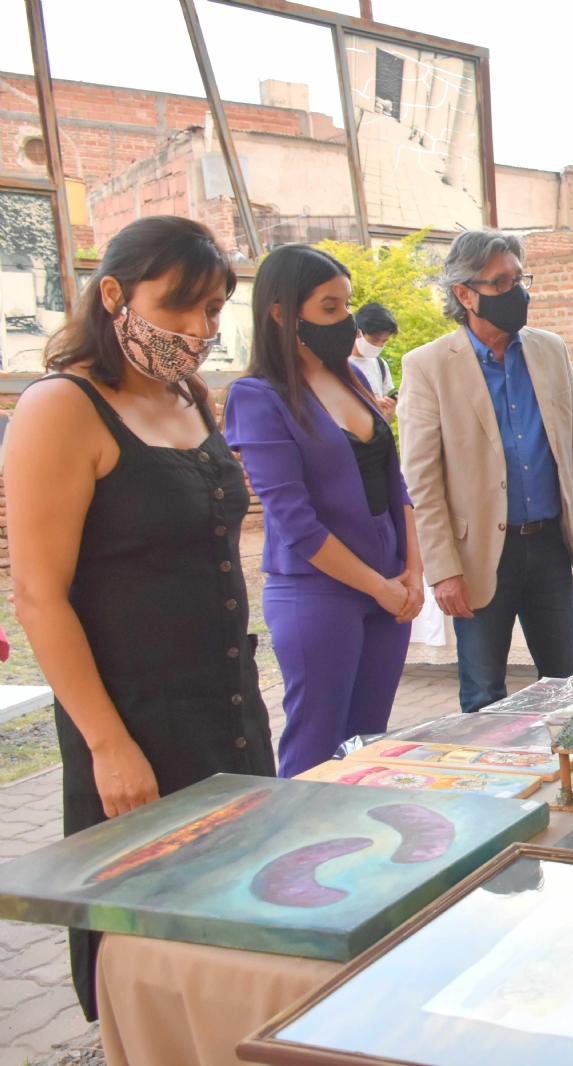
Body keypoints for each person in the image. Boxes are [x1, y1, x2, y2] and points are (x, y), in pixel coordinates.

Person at [8, 216, 275, 1019]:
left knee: (244, 920)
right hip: (137, 721)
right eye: (179, 305)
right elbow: (38, 595)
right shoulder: (62, 407)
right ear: (114, 296)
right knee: (157, 939)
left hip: (227, 707)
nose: (198, 328)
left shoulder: (186, 394)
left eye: (214, 309)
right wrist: (107, 743)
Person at [225, 245, 422, 778]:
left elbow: (396, 483)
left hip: (390, 586)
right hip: (318, 594)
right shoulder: (258, 397)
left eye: (347, 305)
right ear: (282, 313)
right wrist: (379, 587)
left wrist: (413, 571)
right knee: (315, 751)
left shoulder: (353, 379)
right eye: (330, 308)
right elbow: (295, 522)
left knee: (367, 748)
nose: (347, 320)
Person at [399, 230, 573, 713]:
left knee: (567, 681)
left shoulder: (549, 350)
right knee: (483, 695)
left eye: (519, 279)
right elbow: (423, 482)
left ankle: (571, 760)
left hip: (549, 544)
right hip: (478, 555)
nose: (516, 292)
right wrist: (443, 570)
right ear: (464, 294)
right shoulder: (428, 367)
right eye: (500, 283)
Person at [350, 302, 398, 420]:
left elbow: (384, 421)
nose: (379, 345)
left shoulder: (381, 366)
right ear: (358, 333)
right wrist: (371, 406)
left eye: (384, 341)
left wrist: (388, 412)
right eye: (375, 340)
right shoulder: (336, 364)